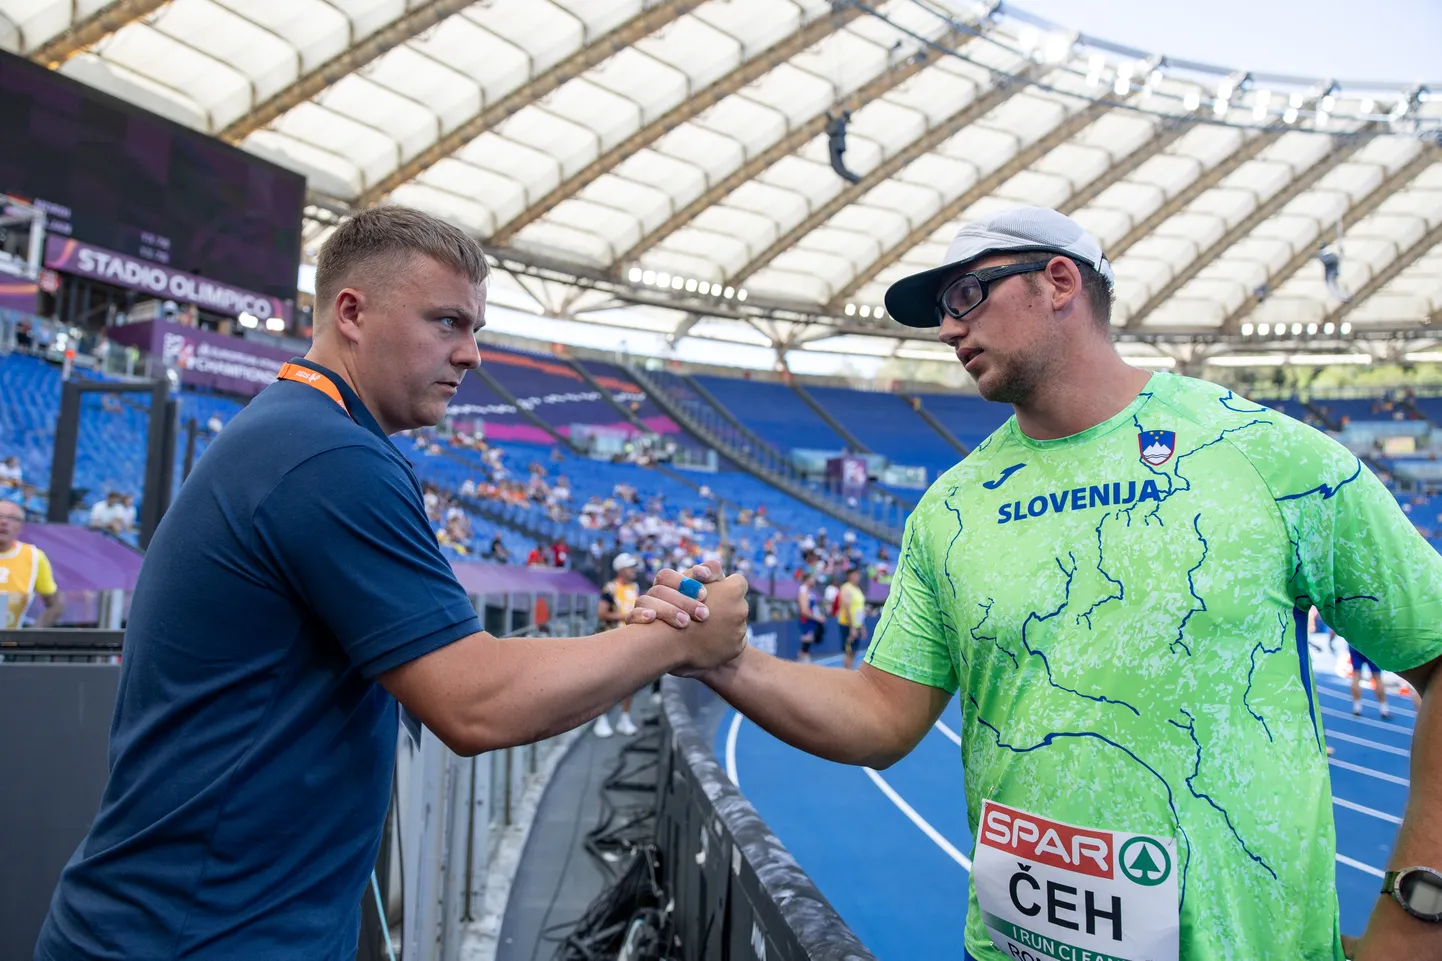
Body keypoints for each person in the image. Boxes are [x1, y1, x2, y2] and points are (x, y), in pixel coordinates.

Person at [631, 207, 1442, 961]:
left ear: (1059, 282)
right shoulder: (949, 509)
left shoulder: (1270, 455)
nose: (948, 326)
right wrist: (722, 658)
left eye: (966, 293)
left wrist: (1416, 914)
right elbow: (881, 717)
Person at [34, 205, 752, 961]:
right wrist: (679, 638)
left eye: (474, 327)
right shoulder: (328, 455)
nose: (471, 354)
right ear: (353, 312)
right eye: (447, 322)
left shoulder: (299, 433)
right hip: (198, 938)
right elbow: (476, 701)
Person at [595, 553, 643, 738]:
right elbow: (602, 613)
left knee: (629, 683)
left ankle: (624, 718)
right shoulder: (610, 588)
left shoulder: (635, 587)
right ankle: (602, 719)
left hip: (631, 640)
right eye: (630, 567)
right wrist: (627, 616)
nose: (634, 570)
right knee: (607, 683)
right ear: (621, 569)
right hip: (612, 640)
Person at [0, 500, 63, 629]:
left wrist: (33, 633)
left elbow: (55, 605)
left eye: (12, 518)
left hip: (8, 644)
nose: (4, 522)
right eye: (0, 516)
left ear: (21, 526)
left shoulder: (34, 557)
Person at [1349, 643, 1394, 720]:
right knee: (1377, 677)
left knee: (1356, 675)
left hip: (1355, 644)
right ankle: (1384, 710)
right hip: (1372, 645)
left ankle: (1357, 708)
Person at [835, 566, 867, 670]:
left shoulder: (857, 589)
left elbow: (859, 609)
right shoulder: (846, 588)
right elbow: (847, 608)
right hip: (848, 624)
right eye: (855, 574)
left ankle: (849, 671)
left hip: (856, 624)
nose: (858, 576)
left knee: (854, 652)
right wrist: (852, 627)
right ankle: (847, 673)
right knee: (849, 652)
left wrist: (862, 626)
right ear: (850, 575)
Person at [796, 570, 822, 663]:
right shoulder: (803, 590)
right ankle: (803, 665)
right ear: (807, 579)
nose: (814, 581)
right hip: (806, 620)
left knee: (807, 644)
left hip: (810, 620)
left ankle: (803, 664)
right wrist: (816, 618)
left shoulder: (808, 591)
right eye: (812, 579)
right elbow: (804, 610)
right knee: (805, 643)